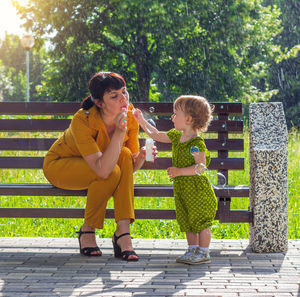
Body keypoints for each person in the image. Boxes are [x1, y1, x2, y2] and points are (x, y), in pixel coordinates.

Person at [43, 71, 154, 261]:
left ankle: (123, 232)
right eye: (114, 96)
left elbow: (128, 168)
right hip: (61, 165)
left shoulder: (129, 113)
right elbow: (103, 170)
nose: (123, 99)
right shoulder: (83, 119)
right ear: (99, 103)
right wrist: (119, 133)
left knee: (125, 155)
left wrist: (142, 157)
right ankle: (88, 229)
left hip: (100, 168)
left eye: (124, 92)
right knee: (110, 173)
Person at [133, 95, 217, 265]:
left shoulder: (195, 144)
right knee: (187, 220)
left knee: (200, 222)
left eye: (175, 114)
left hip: (197, 191)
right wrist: (140, 120)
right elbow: (155, 134)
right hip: (183, 190)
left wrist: (180, 171)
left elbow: (201, 168)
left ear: (188, 119)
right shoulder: (176, 136)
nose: (172, 117)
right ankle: (192, 249)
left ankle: (204, 252)